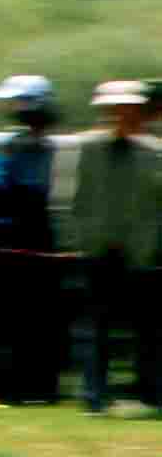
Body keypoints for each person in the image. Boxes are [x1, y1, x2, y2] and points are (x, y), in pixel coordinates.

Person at [57, 80, 162, 415]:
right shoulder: (82, 148)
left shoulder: (154, 151)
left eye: (131, 108)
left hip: (141, 253)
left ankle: (150, 395)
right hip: (96, 252)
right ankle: (94, 397)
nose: (124, 114)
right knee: (95, 327)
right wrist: (71, 243)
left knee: (148, 328)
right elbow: (65, 201)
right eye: (117, 108)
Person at [0, 75, 65, 404]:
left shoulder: (41, 148)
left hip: (28, 244)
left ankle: (33, 387)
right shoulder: (16, 144)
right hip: (7, 244)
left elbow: (29, 193)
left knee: (32, 319)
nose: (12, 108)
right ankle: (11, 386)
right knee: (10, 320)